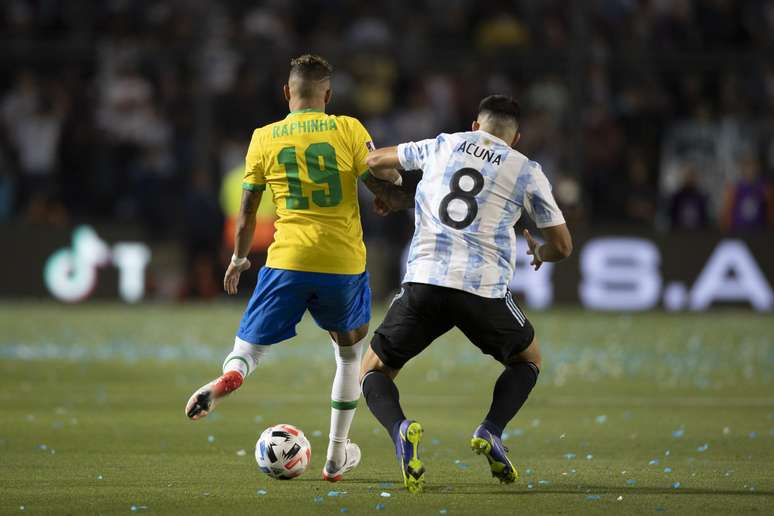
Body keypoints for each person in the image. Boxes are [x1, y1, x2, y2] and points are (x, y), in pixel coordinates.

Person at [184, 54, 401, 482]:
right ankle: (337, 455)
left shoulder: (264, 137)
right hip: (341, 262)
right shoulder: (348, 128)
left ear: (287, 93)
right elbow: (380, 182)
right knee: (349, 355)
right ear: (328, 95)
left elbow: (247, 211)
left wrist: (238, 258)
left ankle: (230, 375)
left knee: (248, 348)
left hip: (287, 259)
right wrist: (389, 194)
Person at [360, 95, 573, 493]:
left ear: (475, 126)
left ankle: (400, 429)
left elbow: (374, 161)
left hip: (425, 281)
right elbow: (562, 245)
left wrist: (391, 193)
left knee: (373, 370)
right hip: (482, 291)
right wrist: (540, 252)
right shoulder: (525, 169)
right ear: (516, 138)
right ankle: (491, 430)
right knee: (528, 359)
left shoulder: (443, 143)